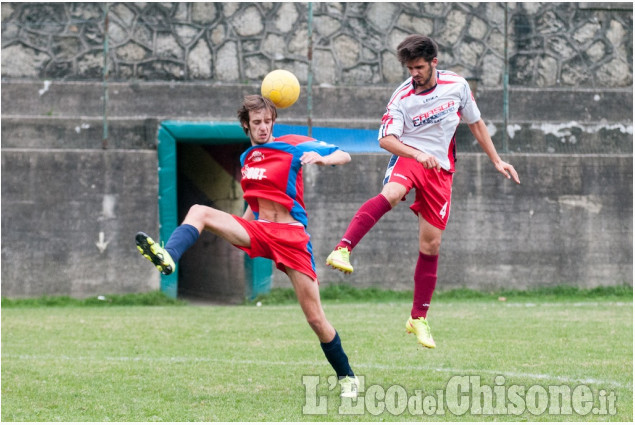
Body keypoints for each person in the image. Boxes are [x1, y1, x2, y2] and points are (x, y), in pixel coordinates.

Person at [136, 94, 359, 397]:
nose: (264, 127)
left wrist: (322, 157)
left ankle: (348, 377)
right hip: (258, 229)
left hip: (290, 236)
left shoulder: (292, 143)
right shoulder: (246, 159)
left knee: (315, 318)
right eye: (257, 122)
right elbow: (252, 207)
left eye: (268, 121)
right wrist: (235, 230)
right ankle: (169, 256)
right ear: (246, 125)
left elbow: (343, 155)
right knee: (200, 211)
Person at [326, 35, 521, 349]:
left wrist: (497, 160)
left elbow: (476, 123)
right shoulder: (402, 97)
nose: (413, 73)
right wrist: (416, 154)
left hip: (441, 169)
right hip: (410, 156)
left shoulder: (457, 86)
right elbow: (385, 140)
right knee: (391, 193)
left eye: (418, 67)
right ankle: (343, 248)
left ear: (434, 62)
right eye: (409, 68)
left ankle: (418, 318)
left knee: (431, 245)